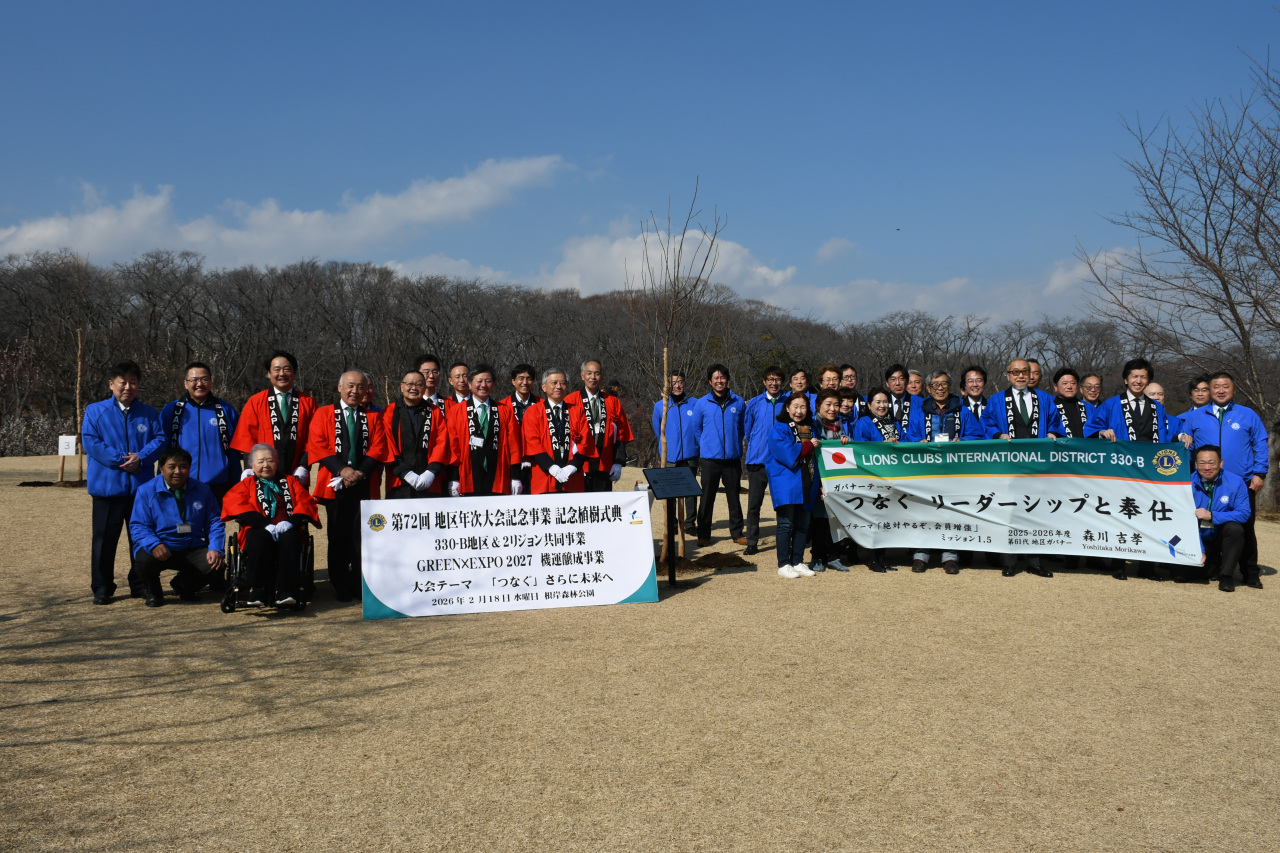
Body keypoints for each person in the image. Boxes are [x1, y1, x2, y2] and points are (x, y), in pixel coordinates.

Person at [83, 360, 166, 604]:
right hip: (106, 488)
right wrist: (121, 459)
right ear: (112, 384)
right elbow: (91, 441)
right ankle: (102, 586)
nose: (128, 386)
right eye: (123, 381)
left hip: (140, 489)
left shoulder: (149, 413)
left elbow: (160, 439)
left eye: (133, 382)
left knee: (140, 538)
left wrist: (141, 457)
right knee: (104, 541)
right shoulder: (95, 411)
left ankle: (140, 584)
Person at [307, 370, 391, 602]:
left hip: (364, 483)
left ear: (366, 391)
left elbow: (378, 447)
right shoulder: (323, 414)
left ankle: (360, 583)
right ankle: (340, 584)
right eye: (350, 386)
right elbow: (318, 444)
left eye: (360, 387)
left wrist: (359, 473)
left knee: (362, 537)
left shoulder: (373, 417)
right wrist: (342, 470)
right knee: (338, 536)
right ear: (340, 387)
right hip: (335, 483)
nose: (355, 391)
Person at [1182, 371, 1269, 588]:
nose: (1220, 391)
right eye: (1216, 387)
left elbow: (1260, 443)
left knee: (1244, 528)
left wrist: (1260, 473)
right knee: (1200, 525)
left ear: (1233, 389)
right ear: (1209, 390)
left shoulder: (1248, 414)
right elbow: (1183, 448)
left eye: (1226, 387)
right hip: (1204, 481)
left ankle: (1250, 573)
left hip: (1241, 482)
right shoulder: (1194, 416)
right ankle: (1209, 566)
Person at [980, 358, 1065, 578]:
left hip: (1038, 465)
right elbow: (986, 423)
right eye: (1015, 372)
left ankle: (1034, 561)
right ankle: (1009, 561)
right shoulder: (998, 400)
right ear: (1007, 375)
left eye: (1024, 372)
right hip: (1008, 463)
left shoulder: (1045, 399)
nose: (1020, 376)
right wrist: (998, 435)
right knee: (1009, 509)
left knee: (1035, 509)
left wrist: (1054, 433)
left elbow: (1056, 422)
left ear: (1031, 375)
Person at [221, 444, 321, 607]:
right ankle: (256, 589)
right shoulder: (246, 484)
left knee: (291, 537)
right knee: (258, 536)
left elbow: (306, 502)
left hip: (287, 528)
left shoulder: (290, 481)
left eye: (270, 461)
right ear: (252, 466)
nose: (265, 465)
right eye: (260, 462)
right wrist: (264, 524)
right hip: (258, 530)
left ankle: (283, 590)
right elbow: (235, 504)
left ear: (277, 463)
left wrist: (290, 522)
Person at [129, 447, 226, 607]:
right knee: (143, 561)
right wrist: (154, 544)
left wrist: (215, 548)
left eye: (183, 466)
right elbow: (139, 525)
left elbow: (214, 521)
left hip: (191, 546)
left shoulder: (203, 490)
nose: (178, 471)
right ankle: (154, 592)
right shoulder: (146, 491)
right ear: (161, 468)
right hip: (161, 545)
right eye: (172, 466)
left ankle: (183, 586)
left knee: (216, 566)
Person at [911, 370, 984, 575]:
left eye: (944, 384)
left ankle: (950, 556)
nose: (940, 388)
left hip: (954, 470)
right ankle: (920, 555)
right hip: (926, 470)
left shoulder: (963, 411)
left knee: (951, 511)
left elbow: (976, 435)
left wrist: (963, 441)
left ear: (950, 386)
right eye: (936, 385)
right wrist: (919, 442)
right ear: (928, 388)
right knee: (923, 511)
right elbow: (910, 435)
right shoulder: (920, 411)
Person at [431, 364, 523, 497]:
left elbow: (514, 445)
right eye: (479, 381)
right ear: (469, 384)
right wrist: (454, 478)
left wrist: (515, 477)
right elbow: (452, 447)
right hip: (467, 477)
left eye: (488, 381)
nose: (483, 385)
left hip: (499, 477)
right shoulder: (456, 411)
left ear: (493, 384)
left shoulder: (505, 410)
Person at [229, 350, 316, 487]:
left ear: (295, 373)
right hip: (262, 475)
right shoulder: (256, 401)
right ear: (269, 374)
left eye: (287, 369)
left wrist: (304, 466)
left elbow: (313, 438)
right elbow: (247, 438)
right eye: (276, 370)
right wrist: (248, 467)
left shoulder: (308, 403)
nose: (281, 374)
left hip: (296, 475)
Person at [160, 362, 240, 499]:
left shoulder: (225, 409)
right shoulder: (172, 410)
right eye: (194, 380)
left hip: (218, 484)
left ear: (211, 381)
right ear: (185, 383)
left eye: (204, 379)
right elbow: (161, 446)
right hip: (180, 482)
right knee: (181, 521)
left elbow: (235, 447)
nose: (199, 384)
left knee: (216, 521)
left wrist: (237, 482)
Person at [692, 363, 747, 547]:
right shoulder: (702, 403)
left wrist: (734, 445)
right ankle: (703, 533)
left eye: (722, 377)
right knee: (707, 497)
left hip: (732, 460)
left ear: (727, 379)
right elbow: (697, 428)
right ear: (710, 381)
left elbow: (741, 428)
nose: (719, 381)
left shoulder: (738, 402)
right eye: (716, 378)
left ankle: (737, 532)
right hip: (709, 460)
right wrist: (706, 446)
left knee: (734, 497)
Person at [768, 392, 820, 579]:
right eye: (795, 406)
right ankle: (784, 563)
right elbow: (788, 453)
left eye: (803, 407)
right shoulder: (780, 428)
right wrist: (808, 446)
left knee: (802, 525)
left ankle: (798, 561)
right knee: (785, 524)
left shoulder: (812, 428)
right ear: (787, 407)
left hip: (809, 481)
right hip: (787, 482)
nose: (799, 411)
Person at [1189, 445, 1253, 592]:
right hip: (1197, 537)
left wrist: (1212, 515)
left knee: (1235, 529)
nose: (1207, 467)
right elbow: (1182, 520)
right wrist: (1199, 549)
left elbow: (1244, 513)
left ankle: (1226, 576)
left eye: (1211, 462)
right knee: (1181, 576)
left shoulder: (1236, 482)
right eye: (1202, 463)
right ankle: (1212, 563)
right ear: (1195, 464)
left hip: (1220, 535)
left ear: (1221, 463)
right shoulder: (1186, 483)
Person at [523, 367, 597, 493]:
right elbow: (532, 443)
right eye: (554, 383)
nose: (559, 386)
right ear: (544, 387)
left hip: (572, 476)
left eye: (563, 383)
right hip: (544, 475)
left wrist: (572, 467)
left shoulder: (577, 411)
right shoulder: (533, 412)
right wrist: (551, 467)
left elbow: (585, 442)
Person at [564, 360, 633, 492]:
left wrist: (618, 462)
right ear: (582, 375)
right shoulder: (570, 401)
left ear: (602, 377)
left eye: (597, 373)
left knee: (601, 509)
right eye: (589, 373)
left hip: (605, 465)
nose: (593, 377)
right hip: (578, 466)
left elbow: (621, 433)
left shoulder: (612, 401)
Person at [851, 388, 900, 572]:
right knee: (874, 516)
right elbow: (860, 446)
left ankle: (882, 557)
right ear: (869, 404)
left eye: (885, 401)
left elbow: (905, 442)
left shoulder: (894, 422)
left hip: (893, 475)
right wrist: (882, 446)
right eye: (878, 402)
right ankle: (872, 558)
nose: (882, 405)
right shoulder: (864, 422)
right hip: (872, 475)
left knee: (887, 516)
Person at [380, 371, 446, 499]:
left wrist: (431, 471)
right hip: (399, 482)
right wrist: (405, 473)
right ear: (402, 386)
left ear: (424, 388)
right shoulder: (389, 412)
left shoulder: (434, 411)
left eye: (419, 385)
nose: (414, 388)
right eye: (409, 384)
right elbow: (386, 444)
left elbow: (442, 442)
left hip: (430, 482)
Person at [808, 389, 853, 573]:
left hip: (836, 481)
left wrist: (845, 440)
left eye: (836, 404)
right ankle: (817, 557)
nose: (833, 408)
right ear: (818, 405)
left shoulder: (839, 425)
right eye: (828, 404)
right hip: (818, 479)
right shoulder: (812, 425)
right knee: (819, 521)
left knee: (835, 520)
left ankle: (834, 556)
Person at [743, 366, 786, 555]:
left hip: (782, 462)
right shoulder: (754, 403)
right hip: (758, 461)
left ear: (782, 382)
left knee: (783, 504)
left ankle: (784, 540)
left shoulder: (789, 402)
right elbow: (747, 430)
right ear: (764, 381)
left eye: (777, 379)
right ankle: (752, 541)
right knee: (754, 504)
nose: (774, 383)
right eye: (770, 379)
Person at [651, 371, 701, 534]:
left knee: (690, 490)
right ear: (668, 385)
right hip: (670, 455)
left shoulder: (695, 403)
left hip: (691, 454)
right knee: (670, 491)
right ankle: (672, 523)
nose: (677, 385)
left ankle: (689, 523)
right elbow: (658, 430)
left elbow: (700, 427)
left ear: (685, 383)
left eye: (680, 382)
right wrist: (668, 446)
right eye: (673, 382)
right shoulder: (661, 405)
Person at [500, 363, 539, 494]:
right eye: (521, 378)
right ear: (513, 381)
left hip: (536, 463)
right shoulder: (502, 406)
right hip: (511, 464)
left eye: (529, 378)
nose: (525, 382)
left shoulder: (542, 404)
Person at [1051, 367, 1096, 439]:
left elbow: (1098, 429)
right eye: (1064, 383)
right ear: (1055, 386)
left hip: (1086, 449)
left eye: (1073, 383)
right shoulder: (1049, 408)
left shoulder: (1089, 408)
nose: (1069, 387)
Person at [884, 364, 924, 441]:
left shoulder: (920, 403)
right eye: (893, 379)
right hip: (888, 449)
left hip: (913, 448)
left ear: (907, 381)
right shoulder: (880, 403)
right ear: (887, 383)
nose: (897, 383)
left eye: (901, 379)